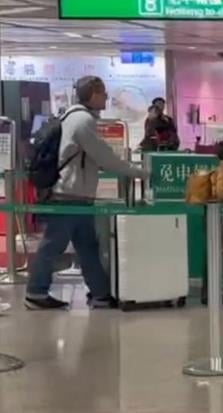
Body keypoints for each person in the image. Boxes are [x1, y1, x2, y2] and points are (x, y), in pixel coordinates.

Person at [25, 76, 148, 310]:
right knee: (53, 246)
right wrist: (140, 173)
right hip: (69, 195)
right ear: (92, 95)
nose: (106, 97)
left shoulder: (72, 117)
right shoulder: (82, 121)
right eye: (103, 93)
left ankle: (100, 294)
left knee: (87, 247)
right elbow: (105, 158)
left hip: (75, 195)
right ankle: (35, 292)